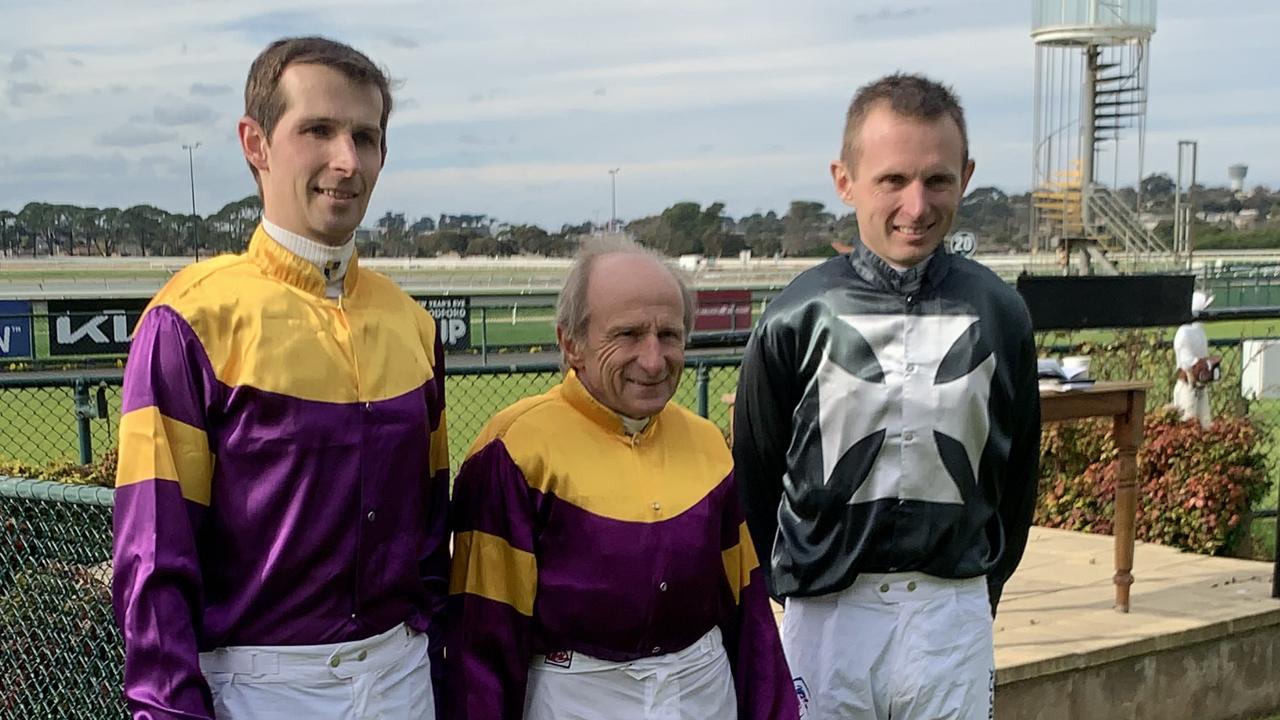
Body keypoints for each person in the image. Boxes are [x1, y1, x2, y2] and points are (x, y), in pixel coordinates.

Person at [111, 36, 449, 719]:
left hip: (403, 680)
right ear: (256, 143)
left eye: (366, 136)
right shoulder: (187, 320)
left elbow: (430, 542)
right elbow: (154, 560)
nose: (347, 161)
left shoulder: (413, 324)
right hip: (258, 689)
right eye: (318, 130)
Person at [732, 73, 1041, 720]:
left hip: (951, 615)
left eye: (937, 180)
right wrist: (798, 589)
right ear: (845, 180)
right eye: (892, 180)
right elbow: (757, 475)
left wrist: (980, 589)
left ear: (968, 175)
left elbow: (1016, 480)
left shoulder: (1001, 313)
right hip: (827, 617)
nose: (917, 205)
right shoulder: (797, 314)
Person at [446, 236, 797, 720]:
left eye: (669, 336)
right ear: (571, 342)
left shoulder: (709, 442)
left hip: (704, 693)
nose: (653, 361)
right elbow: (482, 640)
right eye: (628, 334)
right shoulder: (513, 449)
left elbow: (749, 613)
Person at [1173, 290, 1216, 428]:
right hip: (1188, 386)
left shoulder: (1200, 331)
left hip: (1201, 386)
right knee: (1187, 425)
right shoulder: (1184, 332)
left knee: (1205, 426)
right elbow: (1187, 361)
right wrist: (1202, 365)